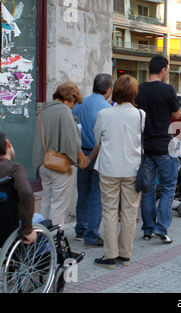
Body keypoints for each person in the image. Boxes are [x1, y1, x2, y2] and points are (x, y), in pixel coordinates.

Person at [93, 75, 145, 269]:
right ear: (134, 93)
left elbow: (97, 139)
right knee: (130, 212)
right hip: (133, 169)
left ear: (114, 91)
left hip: (108, 168)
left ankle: (109, 256)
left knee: (109, 211)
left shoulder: (104, 114)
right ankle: (125, 255)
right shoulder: (141, 115)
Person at [135, 55, 181, 244]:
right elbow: (177, 114)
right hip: (164, 146)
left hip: (146, 147)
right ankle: (161, 228)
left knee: (148, 189)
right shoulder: (167, 90)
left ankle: (147, 229)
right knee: (169, 187)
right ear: (163, 70)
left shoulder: (138, 89)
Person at [32, 82, 87, 229]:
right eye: (74, 102)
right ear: (69, 98)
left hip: (43, 162)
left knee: (46, 201)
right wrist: (80, 158)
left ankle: (42, 238)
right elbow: (71, 141)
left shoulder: (42, 109)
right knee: (58, 205)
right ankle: (54, 241)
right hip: (60, 164)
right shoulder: (64, 111)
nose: (73, 106)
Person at [72, 73, 113, 247]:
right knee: (96, 194)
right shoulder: (107, 109)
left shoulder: (80, 105)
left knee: (83, 193)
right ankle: (92, 234)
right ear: (108, 89)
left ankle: (80, 229)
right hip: (98, 155)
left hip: (81, 153)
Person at [0, 132, 36, 246]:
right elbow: (26, 193)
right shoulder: (15, 169)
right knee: (41, 220)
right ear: (7, 143)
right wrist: (28, 229)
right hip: (9, 226)